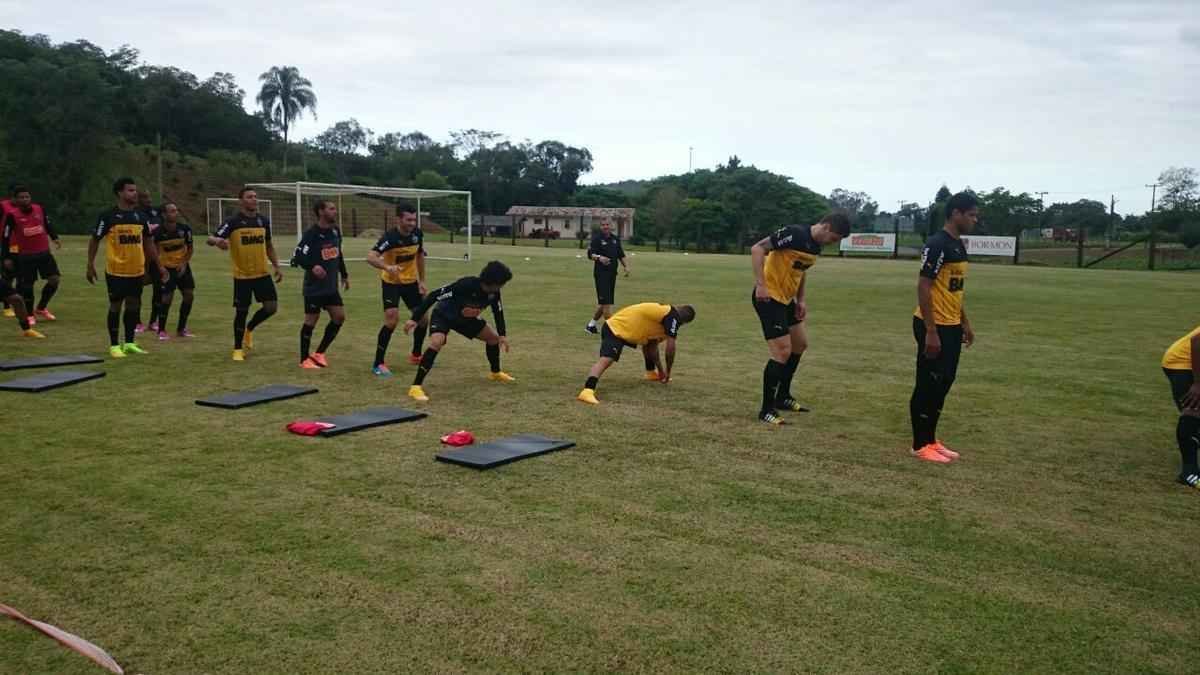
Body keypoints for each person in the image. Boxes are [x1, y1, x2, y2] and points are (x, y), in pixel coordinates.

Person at [749, 212, 850, 425]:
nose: (832, 244)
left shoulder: (815, 246)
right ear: (826, 227)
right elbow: (758, 248)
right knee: (782, 351)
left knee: (800, 344)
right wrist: (761, 285)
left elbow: (801, 270)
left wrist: (801, 300)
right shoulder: (794, 234)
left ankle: (782, 397)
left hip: (786, 300)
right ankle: (766, 410)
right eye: (833, 239)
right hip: (769, 297)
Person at [909, 191, 978, 463]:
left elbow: (954, 290)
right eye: (971, 215)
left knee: (944, 383)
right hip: (932, 325)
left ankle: (931, 439)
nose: (974, 220)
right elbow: (924, 286)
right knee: (927, 383)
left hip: (951, 325)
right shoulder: (938, 244)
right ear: (956, 213)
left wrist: (965, 323)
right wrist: (931, 331)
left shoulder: (958, 245)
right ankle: (919, 444)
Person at [403, 260, 515, 402]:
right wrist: (414, 319)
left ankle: (495, 373)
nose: (502, 287)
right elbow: (433, 296)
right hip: (444, 316)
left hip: (465, 320)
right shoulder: (465, 285)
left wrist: (502, 334)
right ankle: (415, 387)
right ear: (492, 282)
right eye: (501, 283)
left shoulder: (494, 293)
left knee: (493, 338)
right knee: (437, 342)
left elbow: (498, 311)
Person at [87, 177, 166, 358]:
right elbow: (95, 240)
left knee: (134, 305)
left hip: (136, 270)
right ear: (120, 193)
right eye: (130, 190)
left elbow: (149, 243)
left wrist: (159, 266)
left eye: (135, 190)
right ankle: (114, 345)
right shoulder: (108, 216)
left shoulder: (141, 216)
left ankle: (130, 342)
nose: (135, 193)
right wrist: (90, 264)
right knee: (116, 305)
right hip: (116, 271)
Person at [207, 187, 283, 361]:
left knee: (271, 308)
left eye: (255, 197)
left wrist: (277, 266)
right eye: (249, 197)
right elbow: (210, 239)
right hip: (242, 276)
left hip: (262, 274)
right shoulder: (232, 222)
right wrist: (218, 241)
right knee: (241, 311)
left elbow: (269, 245)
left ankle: (250, 328)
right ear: (241, 200)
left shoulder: (263, 221)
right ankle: (237, 349)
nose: (254, 199)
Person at [577, 302, 695, 405]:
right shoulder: (671, 316)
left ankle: (650, 373)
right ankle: (587, 390)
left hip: (623, 329)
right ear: (683, 321)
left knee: (649, 343)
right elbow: (670, 349)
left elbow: (651, 347)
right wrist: (668, 372)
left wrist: (661, 372)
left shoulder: (663, 318)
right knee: (607, 359)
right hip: (615, 329)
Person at [366, 203, 427, 376]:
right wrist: (387, 267)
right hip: (391, 283)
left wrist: (422, 280)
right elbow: (370, 257)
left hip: (411, 283)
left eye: (414, 219)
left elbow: (420, 255)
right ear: (398, 219)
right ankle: (378, 363)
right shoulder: (390, 238)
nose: (412, 223)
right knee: (392, 320)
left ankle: (416, 355)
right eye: (408, 219)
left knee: (423, 319)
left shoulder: (417, 234)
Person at [292, 199, 349, 368]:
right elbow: (298, 257)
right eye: (331, 209)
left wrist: (344, 274)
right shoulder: (312, 234)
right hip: (314, 288)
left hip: (330, 287)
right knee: (311, 320)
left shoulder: (336, 231)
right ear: (321, 212)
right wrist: (312, 266)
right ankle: (304, 359)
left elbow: (338, 254)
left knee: (339, 317)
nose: (335, 212)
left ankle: (319, 353)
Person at [1, 184, 61, 322]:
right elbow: (5, 237)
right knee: (28, 285)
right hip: (26, 256)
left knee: (54, 279)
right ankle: (29, 314)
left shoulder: (39, 209)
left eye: (27, 196)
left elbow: (46, 223)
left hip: (44, 253)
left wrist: (54, 237)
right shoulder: (12, 216)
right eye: (21, 197)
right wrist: (6, 257)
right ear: (15, 200)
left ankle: (41, 308)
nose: (25, 199)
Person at [1162, 326, 1200, 490]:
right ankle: (1189, 472)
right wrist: (1198, 384)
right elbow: (1197, 342)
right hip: (1182, 362)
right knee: (1194, 410)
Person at [153, 202, 196, 339]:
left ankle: (181, 328)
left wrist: (184, 263)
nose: (175, 213)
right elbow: (152, 252)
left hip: (182, 267)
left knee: (189, 295)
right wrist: (160, 268)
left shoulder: (185, 229)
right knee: (167, 298)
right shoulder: (157, 232)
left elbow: (190, 249)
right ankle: (161, 330)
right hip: (166, 268)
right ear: (164, 215)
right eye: (171, 211)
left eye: (176, 210)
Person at [584, 218, 630, 334]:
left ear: (611, 226)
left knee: (605, 302)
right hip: (601, 275)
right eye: (603, 225)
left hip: (612, 274)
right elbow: (590, 254)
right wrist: (600, 258)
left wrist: (626, 267)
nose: (605, 226)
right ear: (600, 227)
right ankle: (612, 331)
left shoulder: (615, 239)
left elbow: (621, 254)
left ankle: (591, 325)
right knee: (606, 304)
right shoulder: (597, 239)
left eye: (607, 224)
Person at [136, 189, 164, 333]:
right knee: (136, 290)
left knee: (159, 288)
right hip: (138, 255)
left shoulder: (155, 213)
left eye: (149, 197)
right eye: (145, 197)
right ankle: (137, 321)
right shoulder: (134, 214)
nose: (149, 200)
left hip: (155, 255)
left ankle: (154, 321)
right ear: (138, 199)